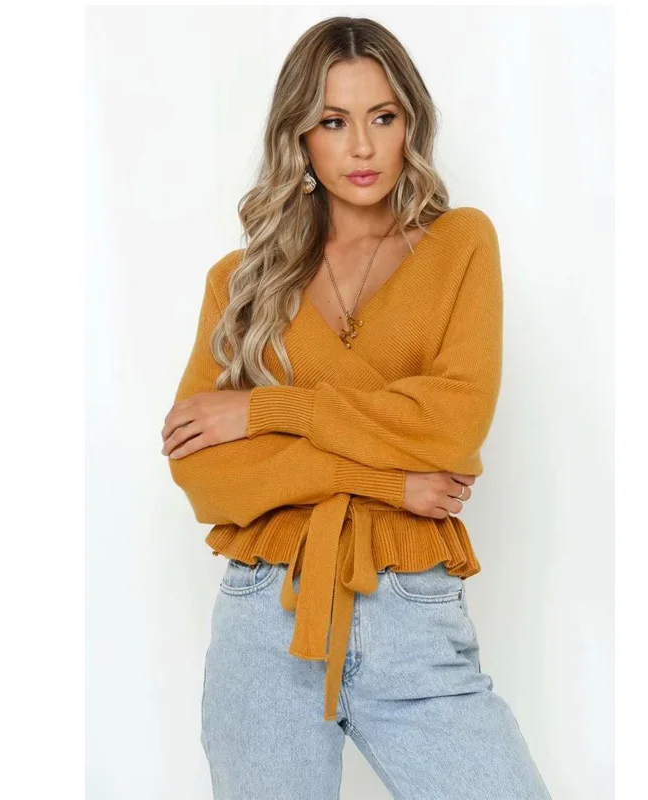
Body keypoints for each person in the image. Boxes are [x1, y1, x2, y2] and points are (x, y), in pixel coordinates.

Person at [161, 15, 552, 800]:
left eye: (383, 117)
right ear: (299, 137)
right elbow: (206, 474)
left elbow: (452, 423)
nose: (363, 147)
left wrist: (267, 412)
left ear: (412, 123)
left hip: (411, 611)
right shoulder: (240, 283)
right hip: (265, 615)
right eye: (334, 122)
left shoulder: (460, 246)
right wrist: (387, 482)